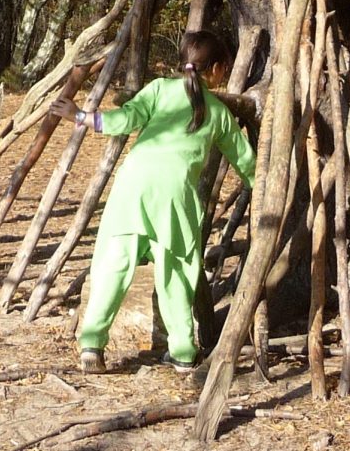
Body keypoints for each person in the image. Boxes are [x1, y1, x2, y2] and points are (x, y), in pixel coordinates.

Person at [51, 30, 255, 376]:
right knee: (177, 270)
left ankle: (92, 345)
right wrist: (263, 187)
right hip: (176, 196)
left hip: (134, 186)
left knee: (114, 263)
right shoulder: (218, 112)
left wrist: (82, 115)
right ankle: (183, 351)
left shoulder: (159, 89)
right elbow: (245, 160)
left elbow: (124, 119)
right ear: (217, 69)